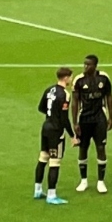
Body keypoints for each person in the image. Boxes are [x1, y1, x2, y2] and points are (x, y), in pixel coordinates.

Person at [71, 55, 112, 195]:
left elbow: (109, 97)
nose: (85, 67)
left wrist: (111, 117)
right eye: (84, 64)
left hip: (99, 118)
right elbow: (75, 101)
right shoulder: (79, 80)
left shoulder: (104, 78)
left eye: (88, 65)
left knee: (101, 147)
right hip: (84, 118)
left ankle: (101, 182)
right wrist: (75, 122)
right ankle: (83, 180)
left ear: (95, 65)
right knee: (83, 148)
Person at [35, 67, 77, 205]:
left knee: (42, 158)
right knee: (54, 162)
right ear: (65, 78)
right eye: (70, 77)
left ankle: (38, 190)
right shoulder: (64, 95)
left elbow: (41, 107)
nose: (71, 80)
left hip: (46, 127)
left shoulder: (49, 90)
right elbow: (64, 119)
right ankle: (51, 195)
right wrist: (72, 135)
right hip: (56, 131)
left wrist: (51, 115)